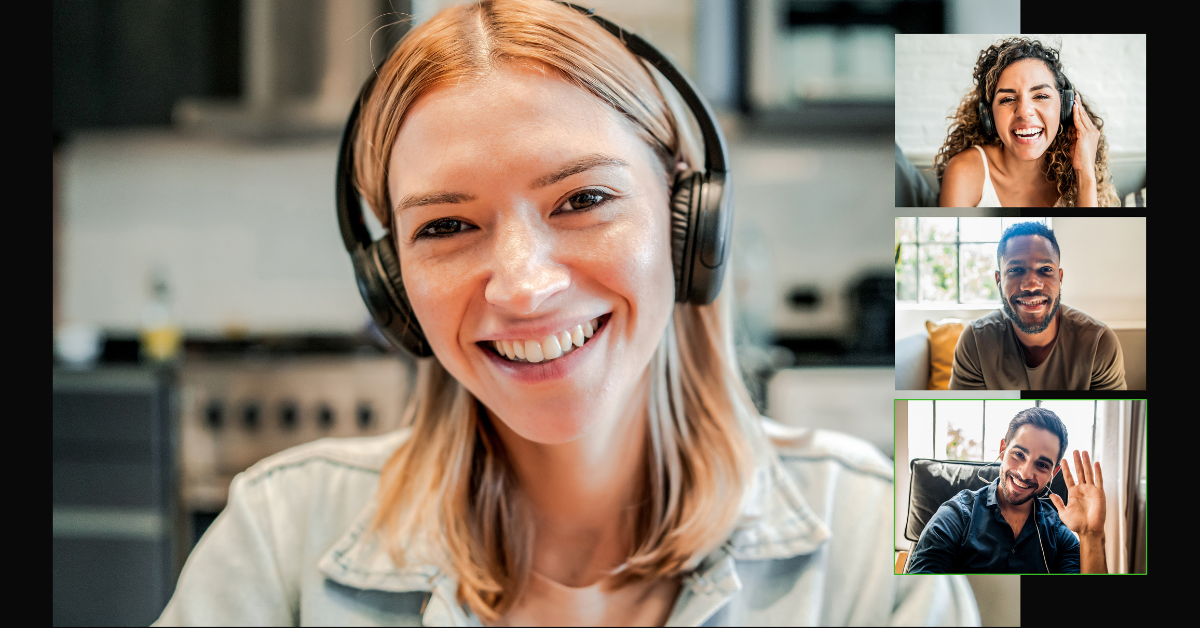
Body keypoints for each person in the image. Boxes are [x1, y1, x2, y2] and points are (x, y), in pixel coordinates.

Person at [154, 1, 977, 625]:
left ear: (687, 223)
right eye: (444, 226)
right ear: (391, 283)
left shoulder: (870, 537)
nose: (522, 287)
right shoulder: (279, 537)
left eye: (583, 198)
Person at [906, 407, 1109, 574]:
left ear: (1053, 473)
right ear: (1003, 449)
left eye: (1042, 465)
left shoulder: (1058, 533)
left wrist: (1091, 534)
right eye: (1019, 454)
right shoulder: (957, 515)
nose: (1025, 472)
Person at [936, 37, 1120, 207]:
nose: (1024, 112)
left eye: (1040, 95)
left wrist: (1085, 173)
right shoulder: (965, 171)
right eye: (1007, 99)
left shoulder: (1080, 169)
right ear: (989, 115)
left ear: (1065, 106)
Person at [949, 221, 1126, 390]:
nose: (1032, 284)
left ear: (1060, 277)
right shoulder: (974, 341)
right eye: (1015, 270)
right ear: (999, 280)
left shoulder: (1099, 343)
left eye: (1045, 270)